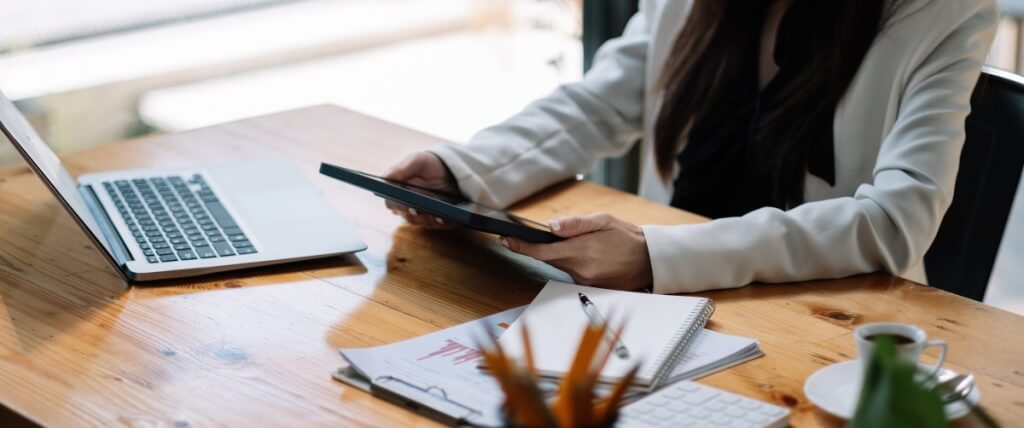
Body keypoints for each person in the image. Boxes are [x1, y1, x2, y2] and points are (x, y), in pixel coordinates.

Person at [383, 0, 998, 294]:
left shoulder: (943, 12)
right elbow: (602, 102)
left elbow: (895, 222)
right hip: (654, 302)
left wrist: (656, 256)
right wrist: (463, 171)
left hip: (831, 309)